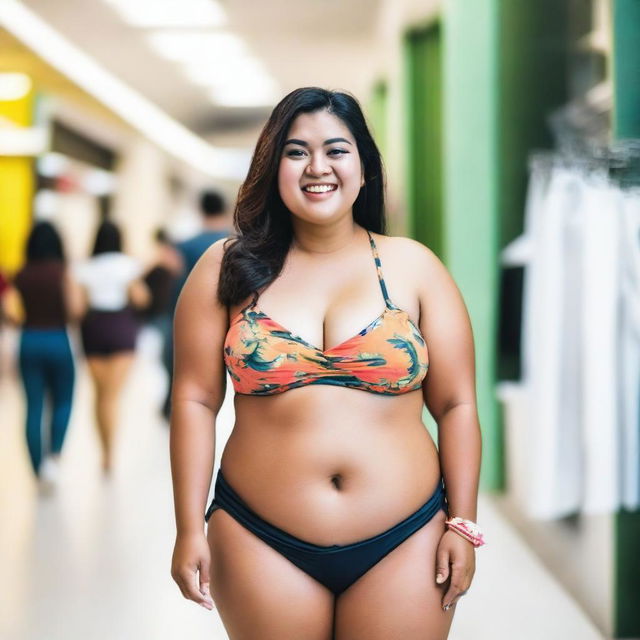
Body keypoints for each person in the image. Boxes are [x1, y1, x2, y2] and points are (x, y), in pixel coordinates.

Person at [170, 87, 483, 640]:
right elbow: (195, 400)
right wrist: (187, 528)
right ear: (273, 166)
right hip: (258, 535)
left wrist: (462, 522)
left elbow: (456, 404)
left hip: (406, 537)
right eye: (296, 151)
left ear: (363, 168)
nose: (318, 167)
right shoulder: (225, 269)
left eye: (336, 150)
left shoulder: (414, 266)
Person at [7, 221, 83, 491]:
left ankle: (37, 468)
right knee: (63, 401)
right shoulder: (63, 273)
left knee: (34, 406)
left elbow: (11, 313)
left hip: (29, 341)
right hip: (58, 340)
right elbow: (75, 309)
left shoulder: (21, 274)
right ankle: (53, 459)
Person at [74, 220, 149, 474]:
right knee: (113, 396)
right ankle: (111, 453)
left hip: (94, 328)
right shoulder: (128, 266)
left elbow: (78, 309)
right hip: (121, 328)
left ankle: (103, 452)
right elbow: (141, 298)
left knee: (99, 395)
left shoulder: (84, 268)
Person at [161, 190, 231, 418]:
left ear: (201, 210)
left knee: (181, 366)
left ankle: (173, 401)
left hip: (185, 318)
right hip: (230, 317)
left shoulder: (183, 246)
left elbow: (173, 282)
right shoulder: (237, 244)